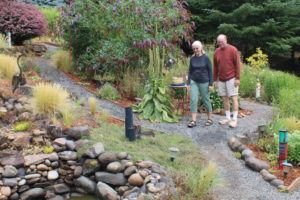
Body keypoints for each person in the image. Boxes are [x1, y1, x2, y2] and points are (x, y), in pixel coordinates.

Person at [213, 34, 241, 128]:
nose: (220, 43)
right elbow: (215, 67)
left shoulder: (233, 50)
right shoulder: (216, 52)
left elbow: (238, 65)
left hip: (232, 78)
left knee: (233, 98)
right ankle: (228, 118)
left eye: (222, 41)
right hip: (221, 79)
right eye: (219, 42)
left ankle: (234, 119)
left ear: (226, 40)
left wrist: (237, 78)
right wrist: (214, 80)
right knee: (224, 98)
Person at [187, 41, 213, 128]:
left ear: (201, 48)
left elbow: (210, 71)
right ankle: (193, 121)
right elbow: (190, 71)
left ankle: (209, 119)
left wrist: (210, 84)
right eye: (194, 49)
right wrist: (188, 83)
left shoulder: (206, 58)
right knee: (193, 100)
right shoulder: (192, 58)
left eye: (197, 48)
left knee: (206, 100)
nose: (195, 50)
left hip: (204, 82)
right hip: (194, 81)